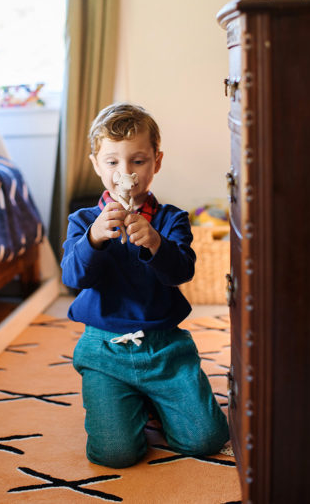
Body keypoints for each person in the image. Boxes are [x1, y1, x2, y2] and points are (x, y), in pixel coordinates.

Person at [60, 103, 229, 468]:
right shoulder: (83, 221)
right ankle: (131, 400)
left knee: (207, 439)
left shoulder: (171, 219)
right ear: (95, 163)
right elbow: (73, 278)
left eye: (138, 161)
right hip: (103, 350)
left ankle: (155, 400)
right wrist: (93, 240)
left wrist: (155, 243)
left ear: (157, 161)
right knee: (115, 454)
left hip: (165, 347)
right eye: (113, 163)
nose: (127, 173)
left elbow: (181, 272)